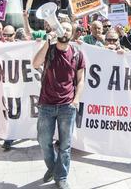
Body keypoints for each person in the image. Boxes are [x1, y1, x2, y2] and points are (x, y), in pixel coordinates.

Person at [32, 21, 85, 189]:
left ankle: (61, 177)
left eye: (68, 29)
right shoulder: (49, 50)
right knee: (43, 141)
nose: (65, 31)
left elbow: (81, 79)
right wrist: (48, 42)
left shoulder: (77, 54)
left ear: (72, 33)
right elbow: (35, 63)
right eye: (62, 28)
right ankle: (54, 167)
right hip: (46, 104)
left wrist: (75, 100)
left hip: (67, 106)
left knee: (65, 145)